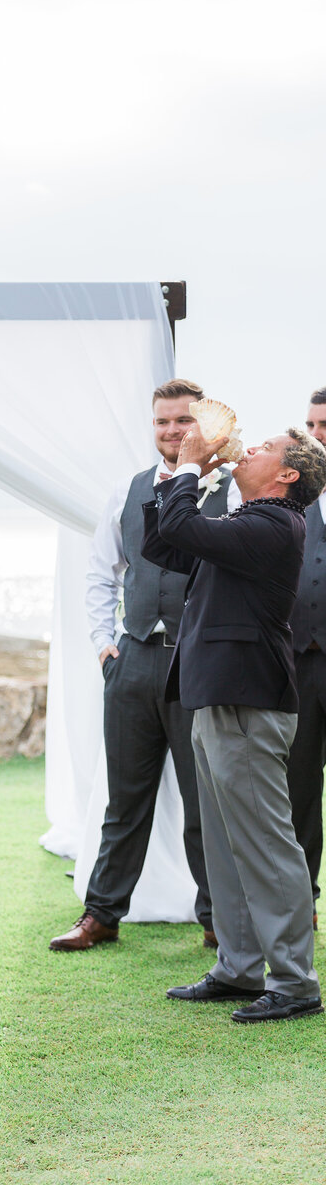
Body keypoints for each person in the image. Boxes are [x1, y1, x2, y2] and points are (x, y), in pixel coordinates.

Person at [143, 423, 326, 1023]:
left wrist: (192, 468)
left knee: (268, 846)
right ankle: (240, 967)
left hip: (247, 700)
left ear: (287, 474)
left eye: (265, 447)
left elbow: (179, 528)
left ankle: (295, 982)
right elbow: (164, 544)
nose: (249, 448)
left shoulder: (274, 525)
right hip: (220, 694)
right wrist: (182, 474)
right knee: (225, 842)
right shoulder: (245, 524)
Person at [50, 379, 239, 954]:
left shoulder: (230, 493)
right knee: (123, 796)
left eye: (184, 421)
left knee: (204, 798)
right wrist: (104, 644)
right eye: (163, 422)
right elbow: (101, 571)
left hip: (197, 665)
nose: (173, 431)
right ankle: (102, 914)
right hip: (131, 661)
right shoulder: (126, 490)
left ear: (204, 427)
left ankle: (217, 919)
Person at [286, 388, 326, 927]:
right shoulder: (289, 497)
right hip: (296, 665)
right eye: (314, 426)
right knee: (297, 788)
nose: (321, 436)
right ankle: (302, 901)